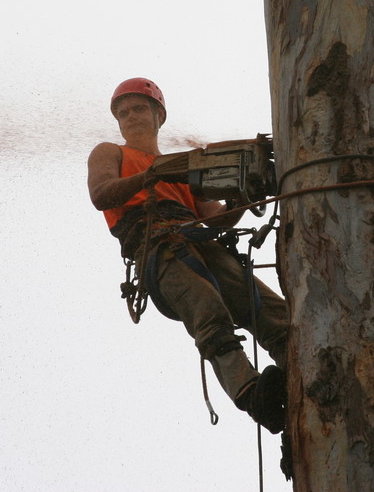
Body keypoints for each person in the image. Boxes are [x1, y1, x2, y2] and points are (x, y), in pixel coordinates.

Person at [87, 77, 289, 433]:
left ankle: (304, 368)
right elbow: (102, 194)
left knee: (268, 309)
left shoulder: (183, 168)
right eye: (123, 112)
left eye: (138, 109)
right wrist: (151, 175)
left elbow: (216, 220)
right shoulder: (111, 152)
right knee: (206, 307)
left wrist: (243, 195)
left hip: (199, 240)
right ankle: (250, 393)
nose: (130, 116)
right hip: (156, 246)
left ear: (157, 115)